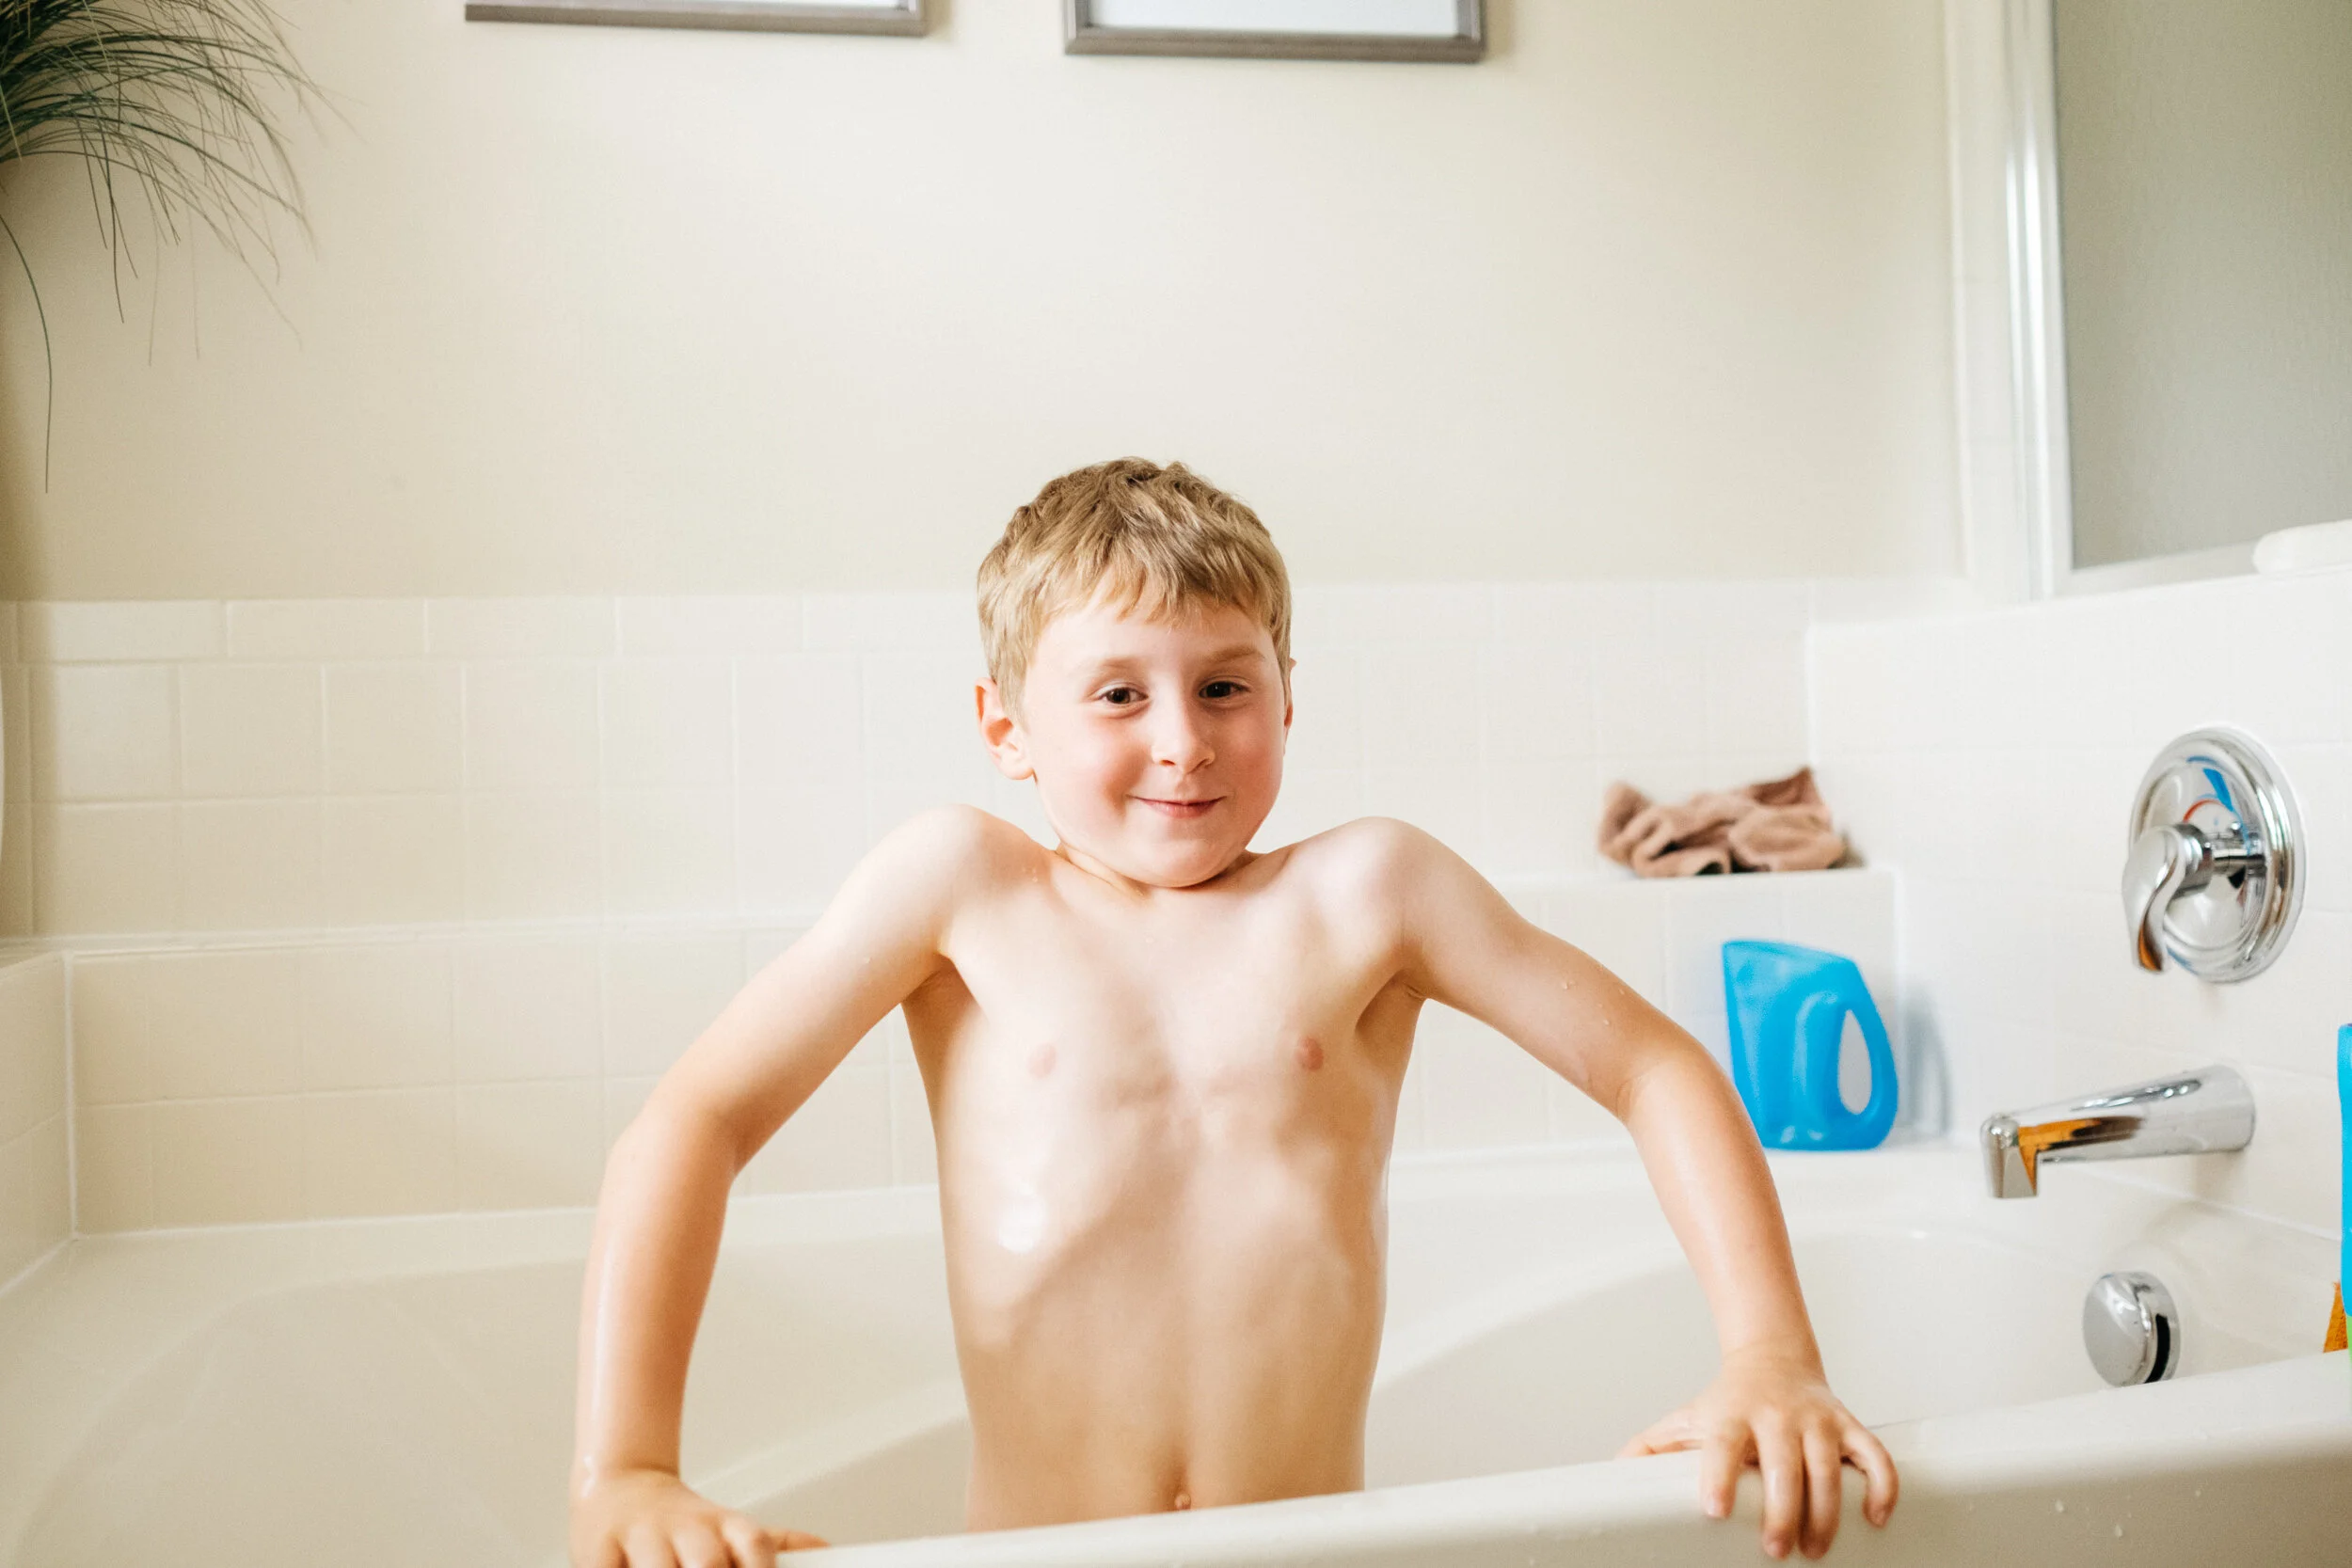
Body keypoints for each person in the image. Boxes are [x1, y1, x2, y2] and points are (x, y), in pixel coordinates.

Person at [568, 458, 1899, 1568]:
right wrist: (626, 1466)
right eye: (1117, 693)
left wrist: (1770, 1351)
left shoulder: (1371, 891)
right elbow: (697, 1116)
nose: (1182, 740)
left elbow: (1651, 1065)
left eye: (1224, 684)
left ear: (1286, 695)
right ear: (1005, 724)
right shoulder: (963, 887)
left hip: (1309, 1551)